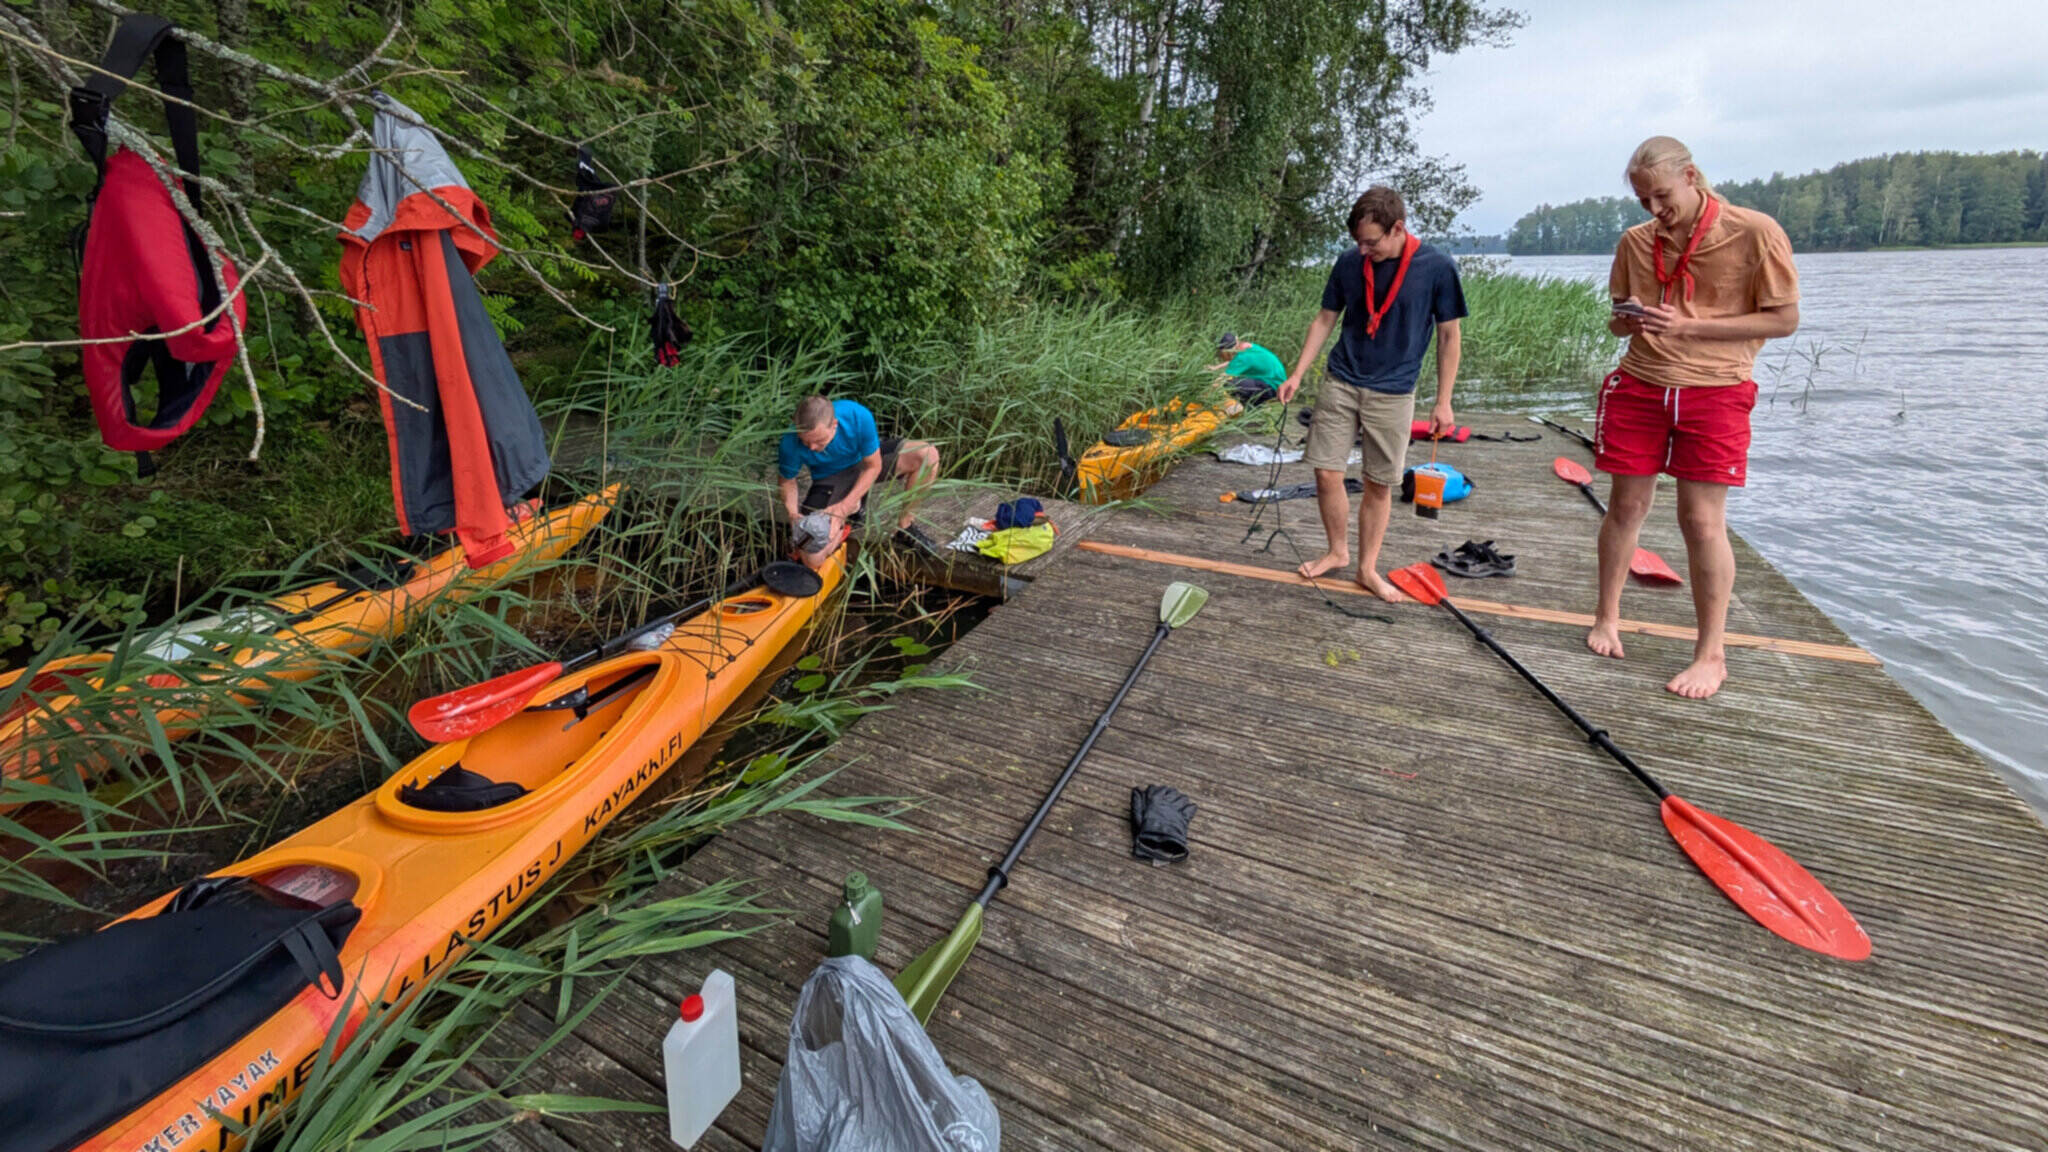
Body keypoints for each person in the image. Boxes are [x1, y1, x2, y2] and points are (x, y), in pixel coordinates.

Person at [1589, 136, 1800, 700]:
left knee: (1701, 521)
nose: (1654, 209)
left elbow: (1784, 320)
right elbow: (1616, 319)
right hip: (1641, 384)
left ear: (1691, 175)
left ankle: (1711, 654)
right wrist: (1628, 322)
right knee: (1625, 507)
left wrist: (1690, 327)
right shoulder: (1635, 242)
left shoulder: (1755, 231)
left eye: (1661, 195)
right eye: (1643, 200)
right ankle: (1606, 617)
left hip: (1717, 389)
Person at [1277, 187, 1464, 601]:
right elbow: (1325, 318)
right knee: (1326, 471)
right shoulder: (1350, 262)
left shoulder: (1437, 267)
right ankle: (1337, 551)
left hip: (1394, 391)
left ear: (1398, 228)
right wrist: (1297, 373)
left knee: (1378, 483)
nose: (1363, 250)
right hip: (1341, 379)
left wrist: (1443, 401)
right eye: (1358, 242)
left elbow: (1450, 336)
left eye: (1371, 242)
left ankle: (1366, 568)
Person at [777, 395, 942, 568]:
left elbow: (873, 466)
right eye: (806, 442)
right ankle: (850, 516)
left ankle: (904, 526)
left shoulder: (856, 415)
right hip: (830, 478)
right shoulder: (790, 441)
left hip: (865, 462)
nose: (812, 448)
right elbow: (787, 482)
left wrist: (842, 508)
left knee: (927, 455)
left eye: (819, 441)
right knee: (812, 558)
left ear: (834, 425)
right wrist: (792, 514)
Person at [1209, 332, 1287, 406]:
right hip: (1277, 384)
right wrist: (1216, 367)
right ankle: (1256, 408)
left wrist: (1208, 393)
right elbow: (1234, 362)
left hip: (1272, 387)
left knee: (1228, 384)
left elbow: (1222, 379)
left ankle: (1238, 407)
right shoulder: (1247, 348)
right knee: (1241, 383)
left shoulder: (1241, 357)